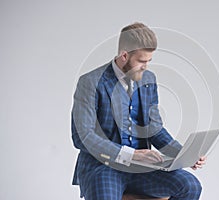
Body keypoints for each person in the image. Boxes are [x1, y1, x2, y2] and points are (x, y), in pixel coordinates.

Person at [71, 22, 206, 200]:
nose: (146, 66)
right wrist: (131, 154)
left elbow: (154, 129)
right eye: (142, 61)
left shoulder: (148, 79)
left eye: (149, 61)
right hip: (103, 167)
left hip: (141, 170)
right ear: (124, 56)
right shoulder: (90, 82)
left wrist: (184, 154)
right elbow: (83, 136)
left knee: (190, 186)